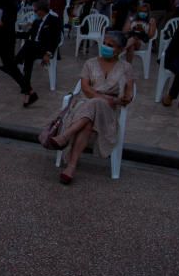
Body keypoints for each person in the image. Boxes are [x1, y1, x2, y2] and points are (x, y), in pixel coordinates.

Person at [49, 31, 134, 185]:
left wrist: (123, 98)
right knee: (91, 114)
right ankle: (71, 167)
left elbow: (128, 96)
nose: (105, 47)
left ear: (120, 50)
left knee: (95, 105)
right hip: (85, 103)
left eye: (111, 45)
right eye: (105, 43)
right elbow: (86, 89)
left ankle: (65, 138)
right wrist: (104, 98)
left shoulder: (126, 67)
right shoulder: (90, 63)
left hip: (108, 112)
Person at [0, 0, 61, 108]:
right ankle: (28, 95)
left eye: (36, 10)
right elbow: (28, 35)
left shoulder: (54, 20)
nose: (35, 12)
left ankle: (13, 63)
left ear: (42, 10)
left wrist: (48, 54)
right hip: (33, 49)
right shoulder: (37, 22)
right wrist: (12, 33)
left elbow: (55, 39)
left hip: (44, 49)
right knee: (28, 61)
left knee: (29, 45)